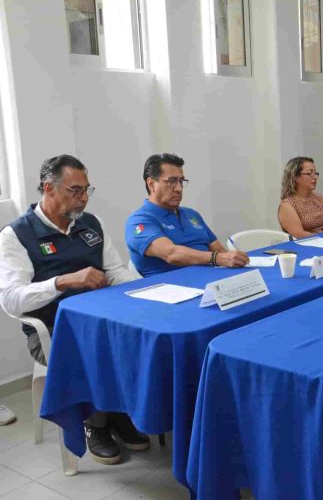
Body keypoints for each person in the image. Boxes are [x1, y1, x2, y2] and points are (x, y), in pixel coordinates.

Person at [0, 155, 148, 465]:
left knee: (142, 336)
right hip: (51, 330)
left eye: (86, 190)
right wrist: (62, 281)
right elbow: (11, 299)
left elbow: (115, 272)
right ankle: (95, 424)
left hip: (101, 319)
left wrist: (146, 293)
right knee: (95, 348)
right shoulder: (16, 235)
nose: (83, 198)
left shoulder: (91, 223)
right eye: (75, 190)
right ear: (48, 188)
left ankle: (118, 412)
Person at [125, 153, 248, 277]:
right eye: (171, 181)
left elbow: (220, 251)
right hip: (173, 286)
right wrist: (217, 258)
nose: (178, 188)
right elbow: (171, 254)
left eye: (181, 181)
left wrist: (235, 259)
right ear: (151, 184)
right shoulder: (139, 221)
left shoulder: (191, 214)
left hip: (210, 280)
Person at [278, 156, 323, 238]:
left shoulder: (320, 198)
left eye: (315, 173)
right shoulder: (287, 205)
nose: (315, 177)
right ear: (295, 177)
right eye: (310, 173)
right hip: (312, 244)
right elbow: (299, 235)